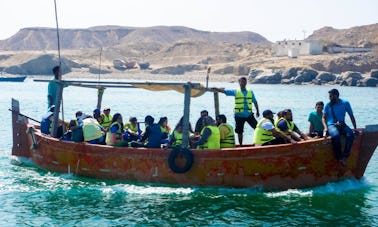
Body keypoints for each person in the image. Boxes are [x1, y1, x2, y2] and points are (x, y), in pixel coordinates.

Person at [212, 77, 260, 146]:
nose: (242, 83)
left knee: (257, 127)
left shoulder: (250, 92)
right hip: (239, 115)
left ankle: (256, 141)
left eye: (244, 82)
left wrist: (257, 111)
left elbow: (255, 102)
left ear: (246, 83)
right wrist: (216, 89)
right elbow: (225, 91)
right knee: (239, 131)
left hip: (249, 114)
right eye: (241, 82)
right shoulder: (236, 91)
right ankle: (240, 145)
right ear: (239, 82)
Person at [322, 88, 357, 166]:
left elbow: (351, 116)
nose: (329, 98)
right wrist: (325, 127)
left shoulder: (345, 103)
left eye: (331, 96)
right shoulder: (328, 105)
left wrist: (355, 128)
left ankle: (345, 156)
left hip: (342, 124)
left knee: (350, 134)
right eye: (329, 96)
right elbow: (323, 117)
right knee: (335, 136)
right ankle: (339, 157)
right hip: (331, 125)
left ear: (336, 96)